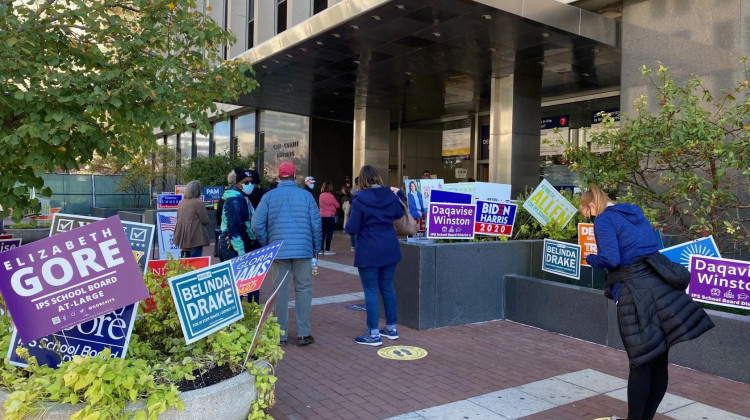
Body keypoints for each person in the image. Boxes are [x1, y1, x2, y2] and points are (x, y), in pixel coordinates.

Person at [581, 184, 714, 420]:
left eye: (586, 213)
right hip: (660, 286)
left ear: (592, 205)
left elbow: (611, 259)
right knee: (659, 359)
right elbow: (650, 247)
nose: (589, 218)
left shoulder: (603, 221)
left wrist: (590, 257)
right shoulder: (634, 212)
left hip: (635, 293)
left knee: (640, 362)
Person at [252, 161, 322, 347]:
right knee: (304, 289)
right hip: (303, 250)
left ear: (279, 176)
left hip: (279, 250)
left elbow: (256, 224)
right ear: (294, 176)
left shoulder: (269, 197)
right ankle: (303, 333)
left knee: (280, 292)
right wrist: (315, 248)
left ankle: (280, 335)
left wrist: (268, 243)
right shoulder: (306, 196)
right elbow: (316, 224)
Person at [345, 165, 405, 346]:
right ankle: (392, 328)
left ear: (362, 180)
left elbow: (352, 228)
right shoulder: (390, 195)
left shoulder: (359, 199)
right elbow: (399, 213)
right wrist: (399, 194)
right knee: (387, 286)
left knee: (370, 290)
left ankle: (373, 334)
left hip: (369, 249)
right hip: (389, 246)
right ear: (378, 178)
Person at [218, 167, 262, 302]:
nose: (249, 185)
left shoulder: (241, 197)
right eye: (246, 182)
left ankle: (247, 313)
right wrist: (241, 253)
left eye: (251, 182)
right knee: (240, 285)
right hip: (234, 246)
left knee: (244, 284)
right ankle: (245, 315)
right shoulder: (235, 200)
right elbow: (234, 228)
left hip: (238, 244)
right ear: (238, 184)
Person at [173, 180, 210, 258]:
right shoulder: (199, 202)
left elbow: (178, 218)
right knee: (196, 262)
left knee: (184, 262)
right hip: (195, 237)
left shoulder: (181, 202)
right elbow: (205, 221)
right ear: (198, 190)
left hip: (183, 237)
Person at [318, 181, 340, 256]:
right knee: (329, 233)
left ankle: (320, 249)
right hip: (329, 216)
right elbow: (337, 205)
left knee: (322, 233)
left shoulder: (321, 195)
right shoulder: (331, 196)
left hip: (321, 215)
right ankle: (327, 249)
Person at [341, 178, 353, 250]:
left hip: (348, 202)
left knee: (346, 215)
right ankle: (345, 228)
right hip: (344, 202)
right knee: (346, 215)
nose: (348, 183)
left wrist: (346, 192)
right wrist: (344, 192)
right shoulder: (343, 187)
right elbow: (340, 193)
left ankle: (345, 228)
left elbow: (350, 194)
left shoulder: (351, 188)